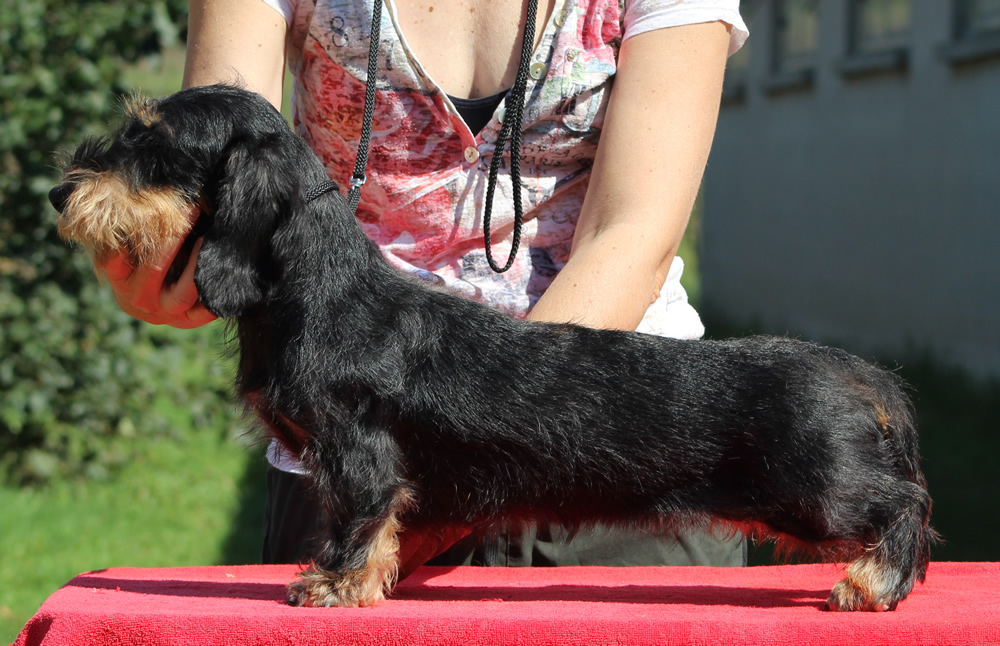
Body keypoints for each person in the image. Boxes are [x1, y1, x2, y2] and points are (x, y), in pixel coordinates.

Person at [101, 0, 749, 571]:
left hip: (606, 454)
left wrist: (465, 466)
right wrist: (170, 266)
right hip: (354, 462)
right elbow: (214, 172)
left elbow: (631, 235)